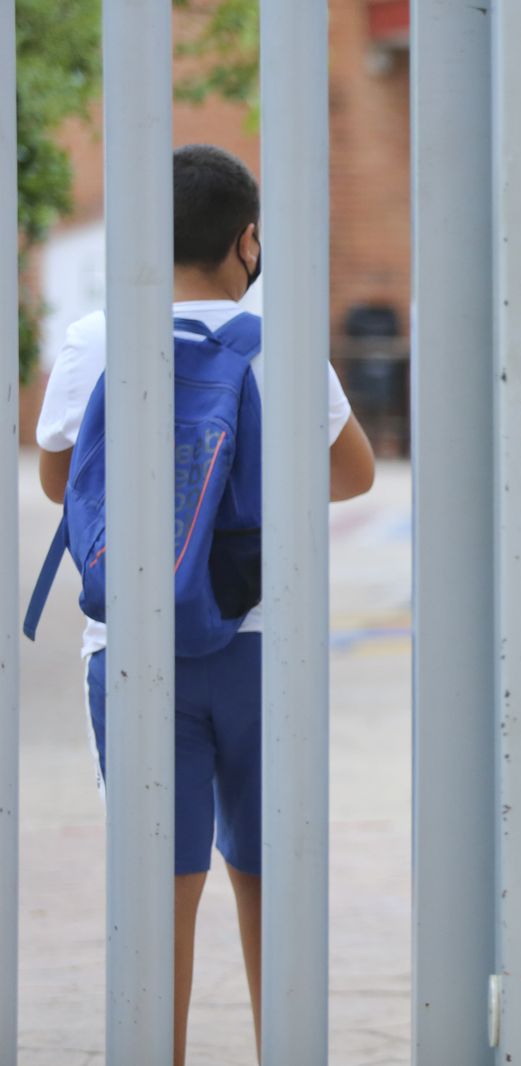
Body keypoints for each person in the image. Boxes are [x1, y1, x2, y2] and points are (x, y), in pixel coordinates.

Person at [33, 144, 375, 1065]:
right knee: (269, 875)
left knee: (159, 882)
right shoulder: (284, 344)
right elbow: (355, 477)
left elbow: (59, 480)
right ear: (249, 240)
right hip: (266, 647)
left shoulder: (97, 338)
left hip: (134, 652)